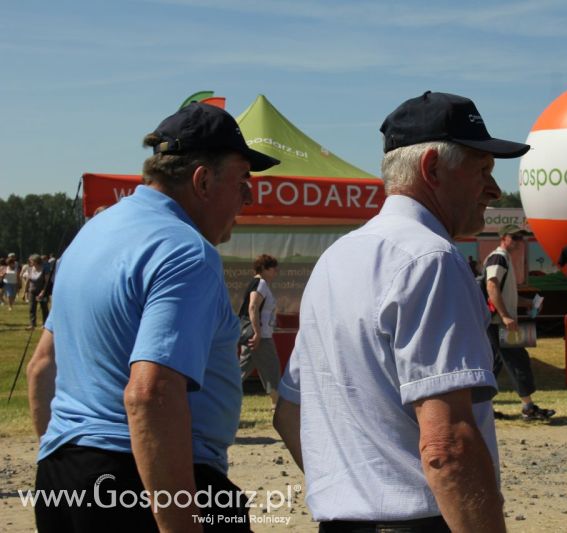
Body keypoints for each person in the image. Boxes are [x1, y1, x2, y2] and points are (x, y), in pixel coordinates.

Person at [273, 91, 530, 532]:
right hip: (418, 520)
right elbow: (446, 446)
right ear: (432, 168)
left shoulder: (336, 259)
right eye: (482, 170)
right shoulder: (431, 260)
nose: (492, 188)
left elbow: (289, 413)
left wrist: (356, 489)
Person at [25, 102, 280, 532]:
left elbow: (41, 368)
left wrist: (66, 478)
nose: (248, 199)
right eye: (242, 183)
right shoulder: (185, 251)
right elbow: (151, 394)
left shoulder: (91, 234)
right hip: (145, 480)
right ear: (202, 180)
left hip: (64, 474)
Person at [484, 223, 555, 421]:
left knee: (494, 364)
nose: (519, 242)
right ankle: (528, 407)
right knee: (517, 359)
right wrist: (506, 316)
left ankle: (482, 407)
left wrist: (529, 302)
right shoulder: (498, 258)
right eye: (515, 238)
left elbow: (505, 294)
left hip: (497, 321)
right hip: (500, 321)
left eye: (521, 238)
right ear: (504, 238)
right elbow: (492, 286)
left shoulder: (503, 258)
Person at [239, 254, 281, 407]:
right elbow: (253, 306)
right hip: (260, 337)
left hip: (256, 334)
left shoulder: (256, 283)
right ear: (264, 268)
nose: (276, 272)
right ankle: (277, 404)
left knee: (241, 370)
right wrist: (257, 332)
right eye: (274, 269)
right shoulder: (260, 283)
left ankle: (221, 393)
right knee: (272, 369)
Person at [24, 254, 49, 329]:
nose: (30, 262)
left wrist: (43, 292)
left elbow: (46, 282)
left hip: (42, 292)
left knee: (44, 308)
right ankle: (32, 324)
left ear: (36, 261)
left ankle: (45, 324)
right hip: (32, 291)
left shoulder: (44, 269)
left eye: (31, 261)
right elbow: (28, 281)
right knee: (31, 308)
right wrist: (25, 291)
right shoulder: (29, 269)